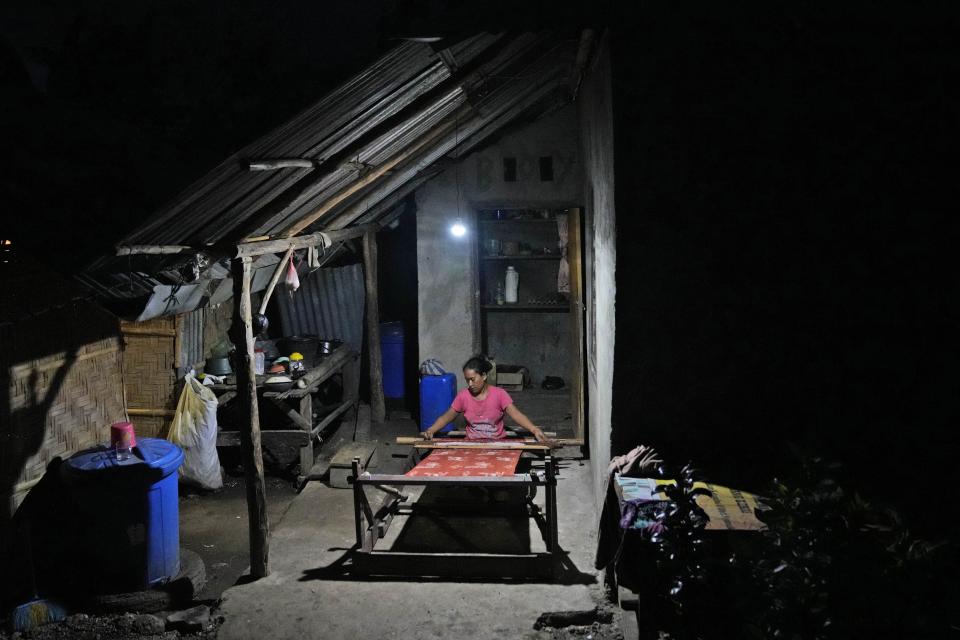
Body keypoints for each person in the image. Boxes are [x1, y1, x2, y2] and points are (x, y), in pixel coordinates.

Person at [422, 355, 549, 442]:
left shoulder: (500, 394)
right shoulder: (463, 396)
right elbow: (446, 417)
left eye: (473, 379)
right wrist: (432, 429)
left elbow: (516, 415)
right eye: (467, 380)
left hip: (497, 445)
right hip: (472, 446)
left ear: (483, 376)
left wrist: (534, 429)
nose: (470, 384)